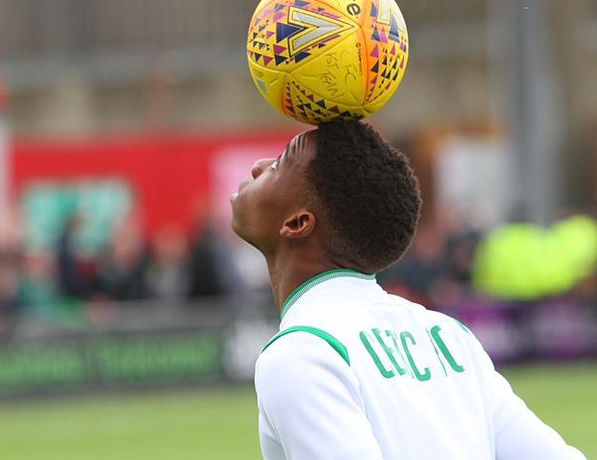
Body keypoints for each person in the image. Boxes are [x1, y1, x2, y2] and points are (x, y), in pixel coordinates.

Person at [230, 121, 585, 460]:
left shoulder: (303, 352)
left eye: (278, 164)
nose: (260, 166)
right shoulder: (446, 336)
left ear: (297, 223)